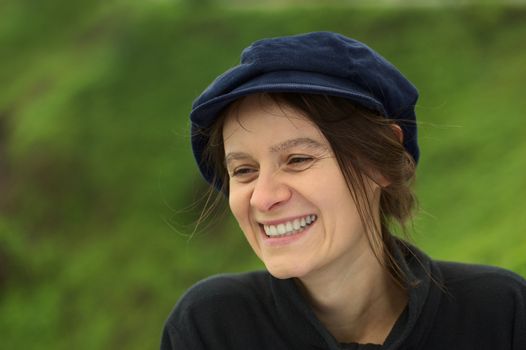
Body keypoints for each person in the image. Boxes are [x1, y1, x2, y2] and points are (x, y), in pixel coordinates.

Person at [160, 32, 526, 349]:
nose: (263, 196)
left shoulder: (500, 313)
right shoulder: (211, 328)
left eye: (298, 159)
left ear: (381, 161)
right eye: (244, 170)